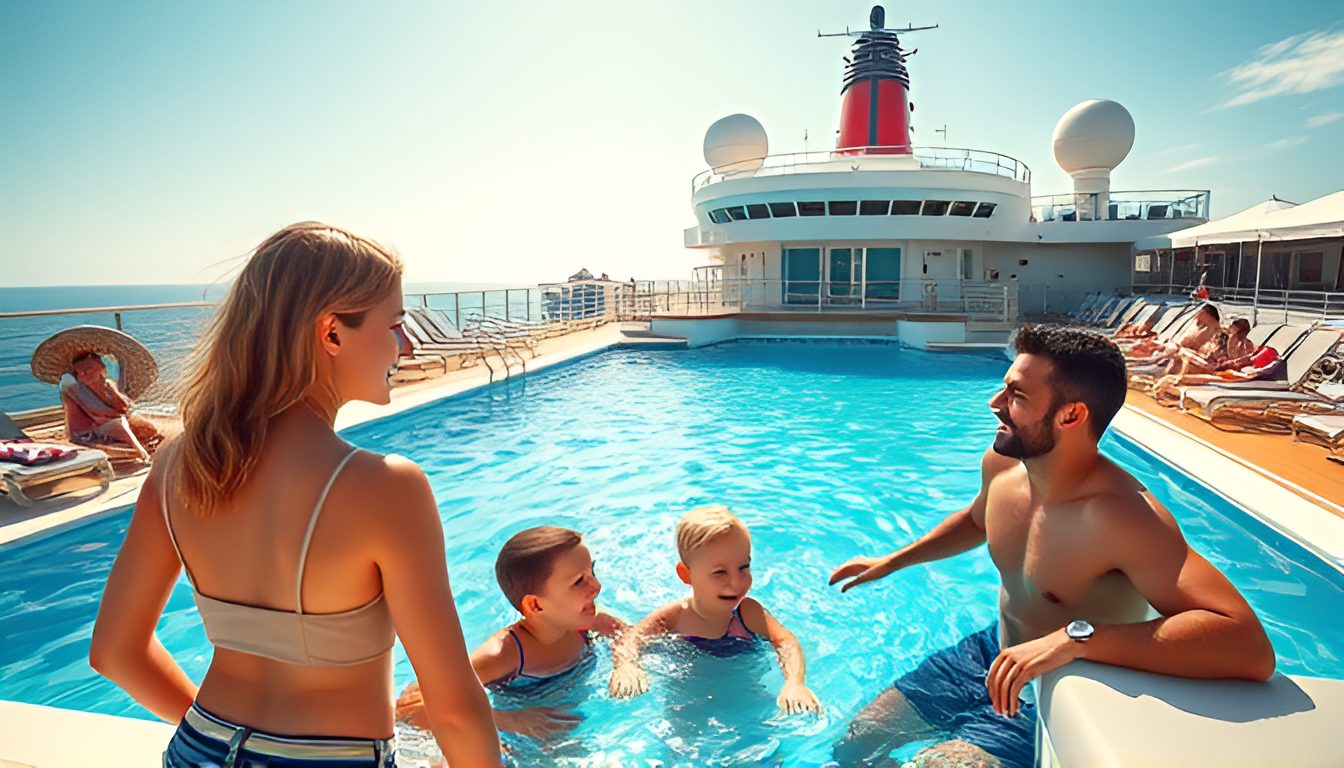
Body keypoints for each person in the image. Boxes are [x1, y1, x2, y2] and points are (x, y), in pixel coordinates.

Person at [89, 222, 500, 767]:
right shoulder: (385, 488)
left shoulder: (178, 465)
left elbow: (115, 653)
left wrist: (230, 747)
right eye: (394, 324)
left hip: (199, 751)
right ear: (331, 333)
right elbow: (453, 708)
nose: (403, 344)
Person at [830, 324, 1274, 768]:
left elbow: (1248, 646)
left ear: (1071, 416)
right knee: (856, 742)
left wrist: (1076, 639)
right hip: (993, 652)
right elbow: (976, 520)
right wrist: (893, 561)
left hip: (1062, 683)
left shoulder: (1122, 516)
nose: (995, 405)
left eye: (1017, 397)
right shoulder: (1003, 464)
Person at [395, 526, 626, 740]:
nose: (596, 586)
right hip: (517, 740)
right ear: (535, 606)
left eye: (592, 571)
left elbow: (623, 632)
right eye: (579, 581)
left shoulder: (584, 621)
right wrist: (510, 720)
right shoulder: (505, 653)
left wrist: (626, 665)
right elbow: (409, 707)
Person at [608, 505, 821, 715]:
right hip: (688, 702)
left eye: (744, 567)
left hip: (747, 696)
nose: (736, 582)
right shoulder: (676, 616)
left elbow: (786, 642)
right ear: (686, 574)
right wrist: (626, 666)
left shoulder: (747, 613)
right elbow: (630, 639)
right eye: (720, 573)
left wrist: (794, 683)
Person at [60, 351, 162, 461]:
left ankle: (149, 446)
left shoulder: (107, 384)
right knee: (118, 424)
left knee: (148, 428)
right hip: (88, 430)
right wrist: (117, 414)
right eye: (80, 372)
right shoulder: (73, 385)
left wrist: (110, 392)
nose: (83, 374)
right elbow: (95, 413)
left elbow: (125, 407)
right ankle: (140, 452)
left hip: (108, 421)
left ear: (101, 369)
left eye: (90, 369)